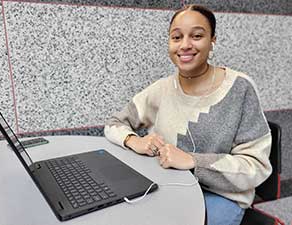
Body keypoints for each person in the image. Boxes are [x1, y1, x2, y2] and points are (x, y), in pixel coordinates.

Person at [104, 4, 272, 225]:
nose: (185, 45)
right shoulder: (162, 88)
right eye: (176, 37)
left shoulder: (240, 89)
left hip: (221, 196)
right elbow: (114, 124)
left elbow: (256, 166)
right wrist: (134, 140)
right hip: (168, 187)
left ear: (212, 40)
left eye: (197, 36)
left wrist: (194, 161)